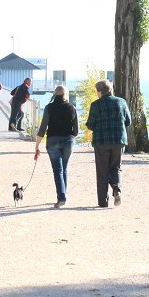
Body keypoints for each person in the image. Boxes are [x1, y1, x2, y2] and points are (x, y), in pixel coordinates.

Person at [86, 79, 131, 208]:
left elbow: (90, 124)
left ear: (99, 92)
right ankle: (116, 188)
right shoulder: (121, 102)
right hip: (118, 140)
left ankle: (103, 202)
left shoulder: (96, 105)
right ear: (110, 90)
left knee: (102, 171)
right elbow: (128, 121)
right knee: (116, 167)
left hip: (101, 141)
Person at [35, 85, 79, 208]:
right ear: (66, 94)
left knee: (57, 170)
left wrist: (37, 145)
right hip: (68, 141)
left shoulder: (49, 107)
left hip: (52, 140)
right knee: (64, 169)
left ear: (55, 94)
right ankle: (63, 194)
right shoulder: (72, 108)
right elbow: (76, 131)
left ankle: (61, 197)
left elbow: (43, 128)